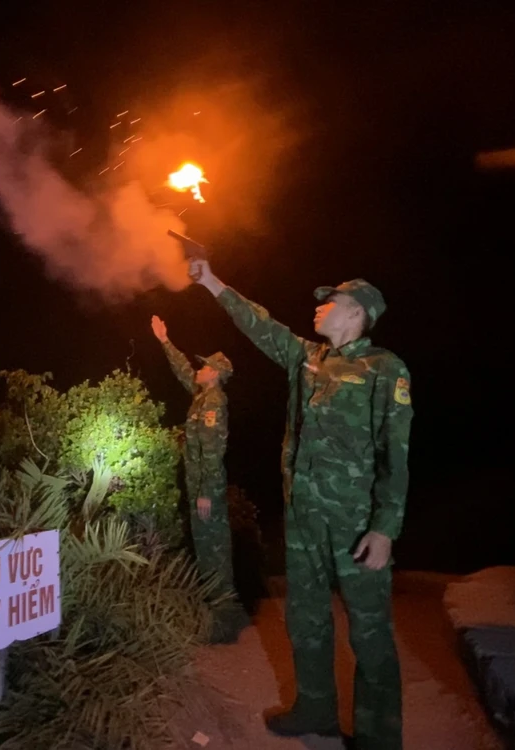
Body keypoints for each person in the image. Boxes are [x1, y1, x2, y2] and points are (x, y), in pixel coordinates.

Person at [188, 260, 413, 750]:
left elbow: (396, 454)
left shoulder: (384, 368)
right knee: (306, 616)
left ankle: (379, 737)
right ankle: (316, 711)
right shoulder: (306, 357)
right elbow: (260, 324)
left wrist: (385, 528)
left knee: (369, 630)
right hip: (304, 515)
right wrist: (210, 281)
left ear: (355, 313)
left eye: (329, 301)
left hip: (357, 523)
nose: (318, 306)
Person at [150, 314, 248, 643]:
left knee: (215, 550)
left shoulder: (214, 403)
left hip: (207, 488)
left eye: (206, 366)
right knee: (206, 549)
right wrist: (165, 340)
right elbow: (183, 371)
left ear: (217, 374)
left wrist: (206, 492)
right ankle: (218, 615)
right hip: (198, 486)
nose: (200, 369)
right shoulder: (201, 396)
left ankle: (226, 620)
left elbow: (213, 451)